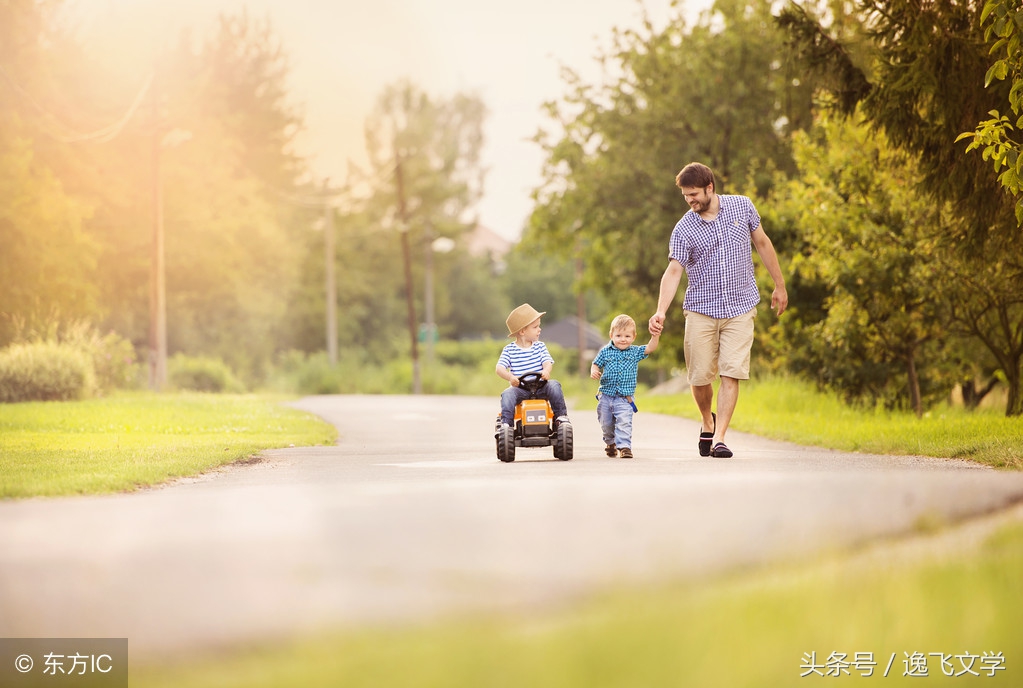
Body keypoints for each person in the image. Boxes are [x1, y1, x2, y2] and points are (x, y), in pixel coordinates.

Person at [648, 162, 787, 458]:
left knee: (731, 373)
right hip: (701, 309)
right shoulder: (684, 228)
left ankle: (720, 437)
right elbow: (674, 271)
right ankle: (706, 419)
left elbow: (762, 242)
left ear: (710, 187)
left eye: (694, 194)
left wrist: (779, 285)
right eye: (686, 195)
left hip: (741, 306)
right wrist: (661, 310)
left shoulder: (742, 207)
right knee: (699, 378)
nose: (690, 200)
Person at [590, 314, 660, 459]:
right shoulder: (605, 351)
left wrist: (655, 336)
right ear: (611, 335)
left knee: (624, 422)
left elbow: (650, 348)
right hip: (606, 396)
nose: (623, 339)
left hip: (624, 398)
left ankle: (625, 447)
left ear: (633, 337)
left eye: (627, 336)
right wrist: (594, 371)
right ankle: (610, 443)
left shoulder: (635, 352)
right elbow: (596, 363)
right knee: (606, 425)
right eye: (619, 335)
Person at [496, 303, 570, 431]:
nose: (539, 329)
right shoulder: (509, 350)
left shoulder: (540, 346)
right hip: (520, 389)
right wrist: (511, 377)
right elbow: (499, 368)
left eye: (539, 326)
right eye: (535, 327)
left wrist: (546, 371)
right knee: (507, 394)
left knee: (554, 385)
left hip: (541, 386)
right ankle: (506, 425)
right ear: (523, 331)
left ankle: (561, 417)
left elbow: (547, 362)